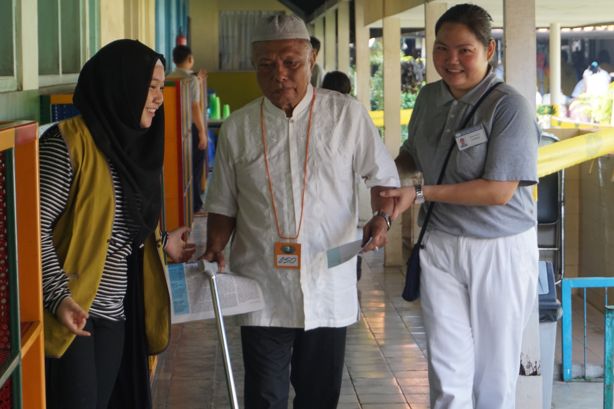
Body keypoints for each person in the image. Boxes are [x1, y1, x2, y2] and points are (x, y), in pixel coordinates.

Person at [203, 14, 399, 409]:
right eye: (265, 65)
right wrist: (215, 247)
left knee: (319, 397)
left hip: (328, 281)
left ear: (311, 58)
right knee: (264, 396)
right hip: (262, 286)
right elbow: (223, 203)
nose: (279, 74)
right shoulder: (238, 127)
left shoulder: (346, 115)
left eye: (290, 62)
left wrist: (383, 217)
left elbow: (383, 181)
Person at [380, 4, 540, 408]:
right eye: (441, 48)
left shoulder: (508, 106)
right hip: (442, 243)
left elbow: (498, 191)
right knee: (446, 370)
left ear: (489, 50)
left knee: (493, 374)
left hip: (498, 247)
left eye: (464, 50)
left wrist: (419, 195)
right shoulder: (430, 96)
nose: (451, 60)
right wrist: (372, 171)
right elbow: (412, 157)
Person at [40, 39, 195, 409]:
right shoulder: (65, 145)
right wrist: (58, 296)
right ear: (121, 84)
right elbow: (32, 230)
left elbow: (120, 225)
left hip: (115, 313)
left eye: (160, 87)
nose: (159, 98)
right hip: (73, 315)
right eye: (152, 87)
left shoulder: (134, 147)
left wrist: (161, 241)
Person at [167, 45, 208, 213]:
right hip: (190, 129)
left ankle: (180, 207)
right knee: (195, 168)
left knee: (179, 169)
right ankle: (196, 205)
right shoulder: (191, 80)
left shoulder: (168, 77)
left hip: (172, 129)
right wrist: (202, 132)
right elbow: (195, 107)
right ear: (190, 59)